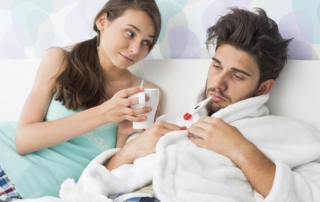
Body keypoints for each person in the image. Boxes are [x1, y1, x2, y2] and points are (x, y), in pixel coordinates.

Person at [54, 7, 320, 202]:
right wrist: (130, 151)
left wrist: (242, 150)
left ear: (263, 87)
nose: (219, 82)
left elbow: (309, 196)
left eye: (238, 76)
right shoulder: (170, 124)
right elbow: (98, 179)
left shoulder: (291, 135)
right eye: (216, 66)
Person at [0, 0, 162, 200]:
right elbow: (23, 140)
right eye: (130, 33)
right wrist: (104, 113)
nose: (136, 49)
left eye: (146, 42)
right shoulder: (60, 60)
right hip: (5, 162)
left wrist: (123, 136)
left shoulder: (145, 92)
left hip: (44, 192)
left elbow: (117, 174)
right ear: (102, 22)